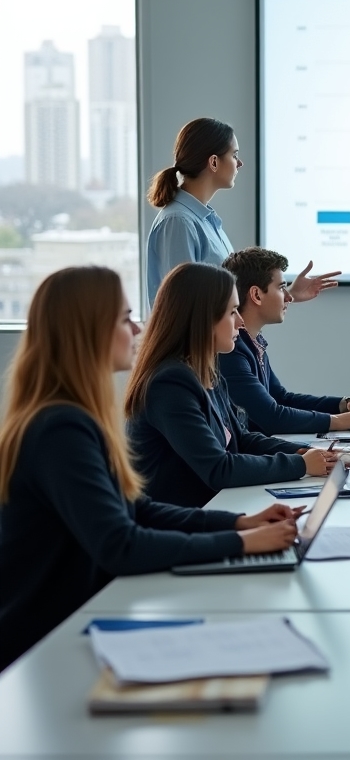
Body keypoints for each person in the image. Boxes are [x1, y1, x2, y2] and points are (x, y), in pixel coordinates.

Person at [0, 267, 303, 672]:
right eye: (125, 319)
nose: (138, 326)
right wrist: (244, 544)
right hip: (47, 642)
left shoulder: (73, 417)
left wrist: (240, 525)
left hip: (79, 618)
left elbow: (136, 509)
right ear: (89, 331)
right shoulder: (60, 429)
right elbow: (121, 545)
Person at [125, 262, 337, 509]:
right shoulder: (169, 383)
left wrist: (305, 452)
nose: (240, 322)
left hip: (212, 508)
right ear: (203, 319)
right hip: (179, 525)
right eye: (233, 312)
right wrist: (300, 465)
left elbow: (241, 439)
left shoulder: (206, 372)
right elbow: (219, 468)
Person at [145, 116, 339, 308]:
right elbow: (183, 306)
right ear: (213, 162)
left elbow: (228, 298)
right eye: (234, 155)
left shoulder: (205, 220)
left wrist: (287, 295)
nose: (240, 164)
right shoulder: (179, 222)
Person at [220, 247, 350, 435]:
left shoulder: (251, 342)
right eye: (281, 287)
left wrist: (344, 404)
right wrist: (337, 421)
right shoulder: (232, 352)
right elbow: (272, 417)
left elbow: (281, 398)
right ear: (256, 295)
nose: (289, 297)